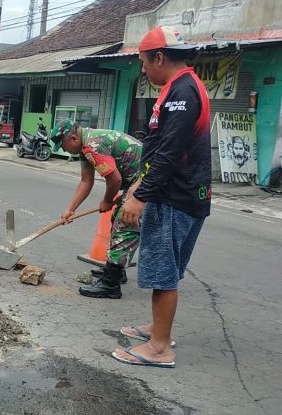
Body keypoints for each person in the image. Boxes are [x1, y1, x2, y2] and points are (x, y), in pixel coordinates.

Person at [112, 26, 211, 368]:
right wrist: (139, 184)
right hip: (178, 193)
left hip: (174, 195)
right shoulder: (179, 86)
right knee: (167, 269)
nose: (142, 69)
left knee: (162, 272)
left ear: (158, 56)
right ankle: (159, 329)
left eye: (143, 61)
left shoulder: (183, 89)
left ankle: (159, 348)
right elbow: (159, 148)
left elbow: (170, 151)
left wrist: (142, 196)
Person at [50, 119, 143, 299]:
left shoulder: (93, 145)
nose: (63, 150)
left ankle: (111, 284)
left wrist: (107, 201)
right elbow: (86, 181)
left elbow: (114, 179)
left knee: (124, 223)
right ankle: (116, 269)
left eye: (63, 146)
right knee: (117, 219)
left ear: (74, 139)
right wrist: (70, 209)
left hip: (146, 179)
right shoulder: (85, 148)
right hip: (134, 182)